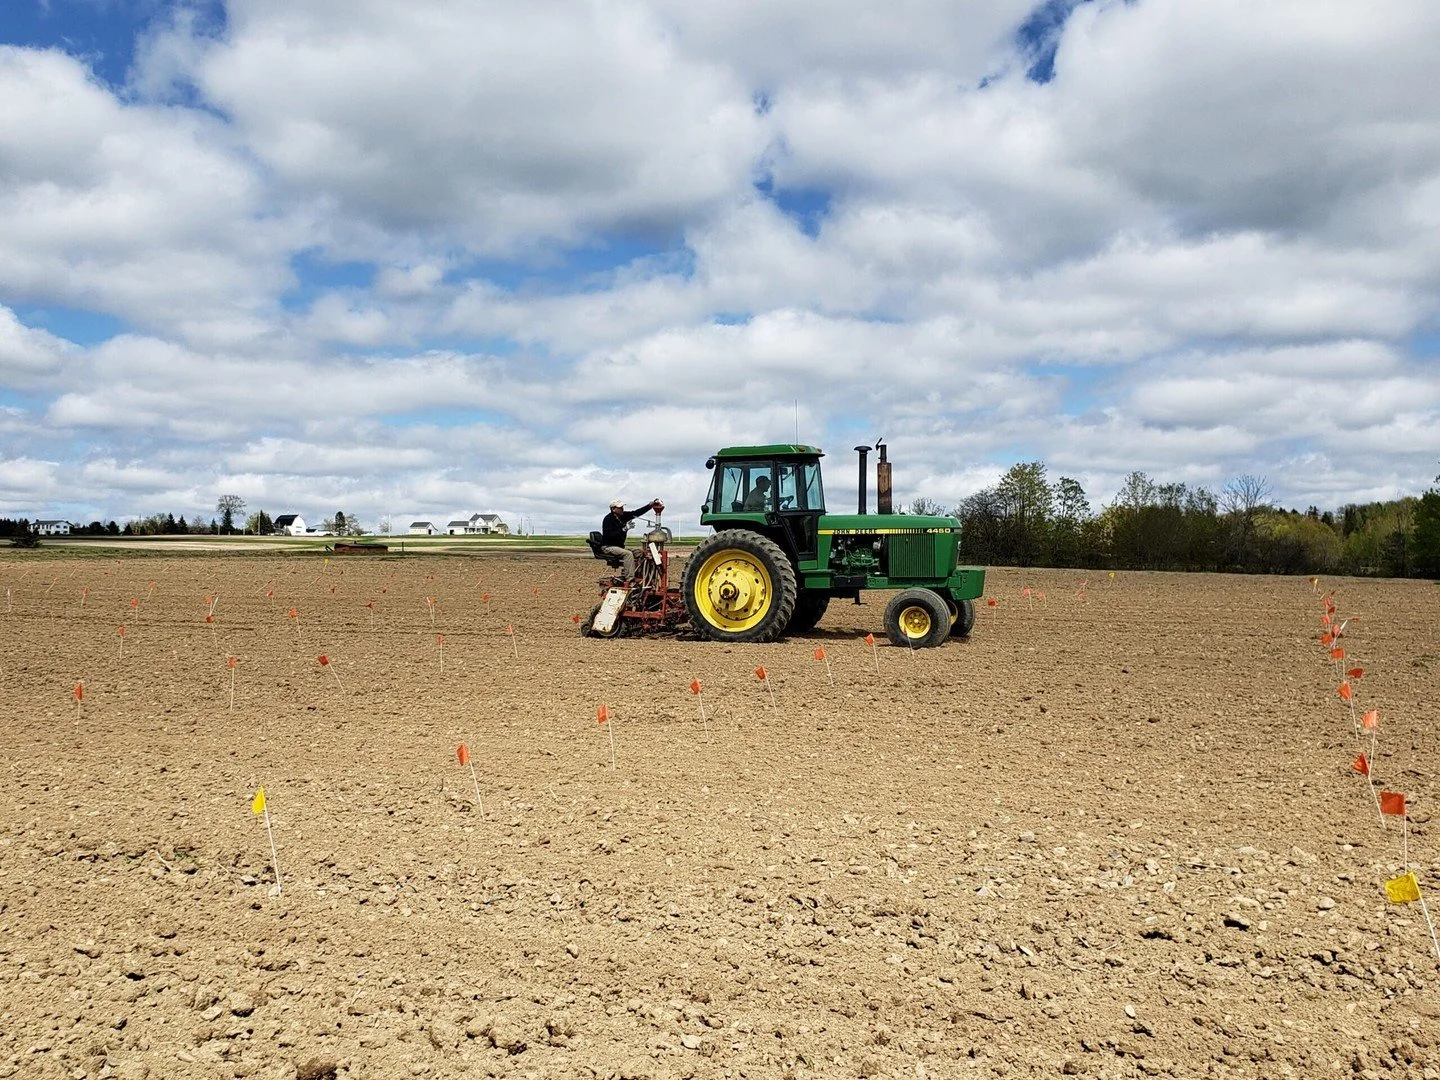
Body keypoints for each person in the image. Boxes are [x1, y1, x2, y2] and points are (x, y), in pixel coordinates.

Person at [600, 498, 659, 580]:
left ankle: (641, 576)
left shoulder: (623, 516)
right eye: (620, 508)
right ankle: (630, 579)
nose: (622, 509)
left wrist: (650, 505)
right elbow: (609, 536)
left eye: (622, 507)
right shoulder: (608, 519)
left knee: (641, 553)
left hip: (619, 547)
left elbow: (636, 513)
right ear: (613, 509)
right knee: (628, 554)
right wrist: (624, 529)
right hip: (608, 547)